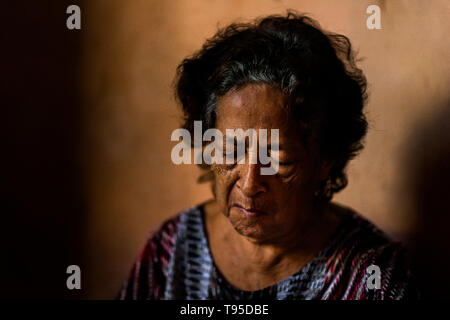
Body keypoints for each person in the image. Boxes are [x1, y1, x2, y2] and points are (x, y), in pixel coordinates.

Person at [118, 12, 417, 300]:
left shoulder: (372, 277)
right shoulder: (170, 253)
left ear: (325, 160)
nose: (249, 184)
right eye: (230, 151)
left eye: (279, 161)